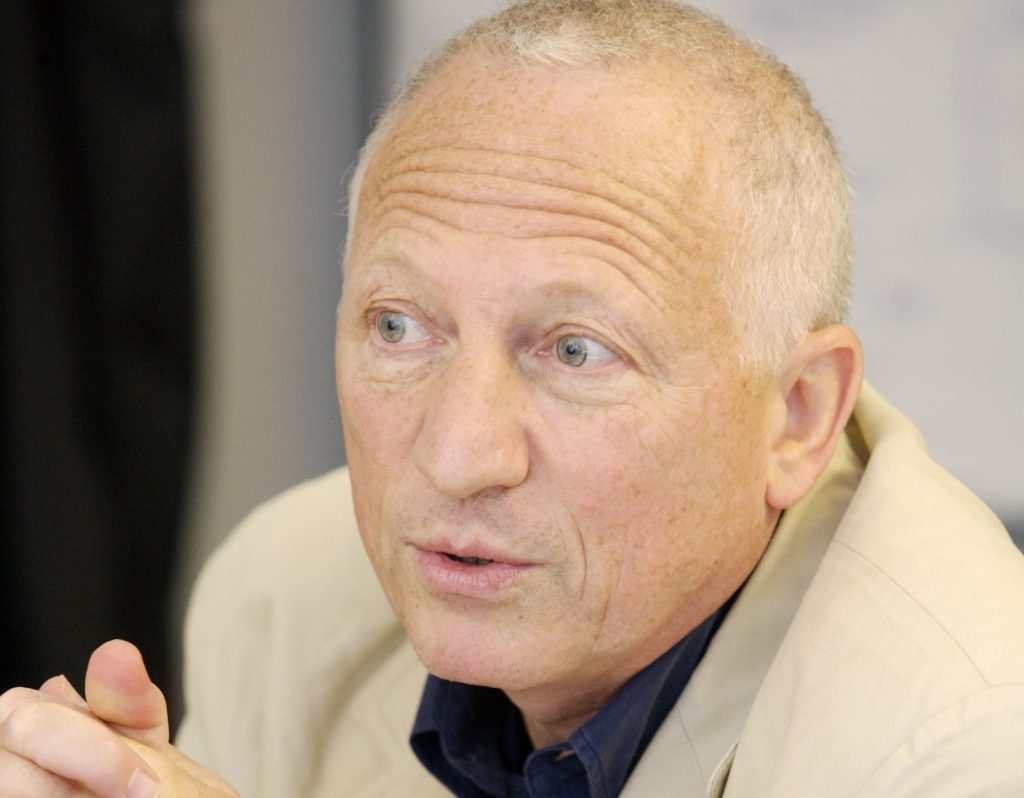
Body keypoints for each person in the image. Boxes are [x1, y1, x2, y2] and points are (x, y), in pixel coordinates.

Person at [2, 1, 1023, 796]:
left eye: (575, 351)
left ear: (796, 416)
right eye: (399, 327)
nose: (457, 456)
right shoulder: (283, 601)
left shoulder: (969, 749)